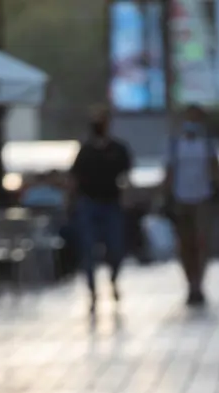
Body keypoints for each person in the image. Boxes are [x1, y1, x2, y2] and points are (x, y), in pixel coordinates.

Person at [68, 107, 133, 313]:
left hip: (111, 204)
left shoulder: (118, 149)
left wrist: (127, 198)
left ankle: (113, 279)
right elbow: (74, 178)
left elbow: (127, 178)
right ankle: (92, 291)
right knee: (88, 250)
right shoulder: (85, 150)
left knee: (116, 248)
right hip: (89, 203)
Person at [163, 104, 219, 307]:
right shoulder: (174, 144)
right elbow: (169, 172)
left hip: (203, 198)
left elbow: (216, 169)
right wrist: (164, 196)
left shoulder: (208, 143)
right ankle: (190, 282)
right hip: (181, 199)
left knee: (202, 242)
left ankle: (199, 283)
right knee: (185, 244)